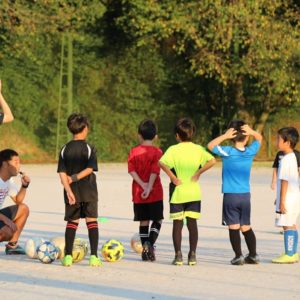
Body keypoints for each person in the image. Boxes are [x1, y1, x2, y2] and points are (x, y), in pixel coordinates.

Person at [159, 118, 216, 266]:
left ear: (177, 135)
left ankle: (178, 256)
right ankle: (192, 255)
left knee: (177, 225)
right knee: (192, 225)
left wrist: (173, 177)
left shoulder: (173, 149)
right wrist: (198, 172)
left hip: (178, 192)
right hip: (193, 192)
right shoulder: (198, 149)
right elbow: (212, 161)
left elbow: (161, 162)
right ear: (193, 133)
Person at [207, 120, 262, 265]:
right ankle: (253, 254)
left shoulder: (228, 151)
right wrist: (252, 131)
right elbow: (260, 138)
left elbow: (210, 146)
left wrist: (224, 136)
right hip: (245, 195)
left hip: (231, 195)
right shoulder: (250, 151)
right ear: (247, 137)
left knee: (233, 226)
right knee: (246, 226)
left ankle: (238, 256)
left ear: (232, 137)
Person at [57, 113, 101, 267]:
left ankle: (68, 257)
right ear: (85, 128)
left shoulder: (64, 149)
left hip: (72, 192)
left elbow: (62, 173)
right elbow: (90, 169)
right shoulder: (89, 148)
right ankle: (94, 257)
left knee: (72, 223)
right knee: (92, 222)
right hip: (89, 190)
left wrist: (68, 189)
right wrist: (75, 177)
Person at [128, 119, 164, 262]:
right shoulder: (158, 152)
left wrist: (142, 185)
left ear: (139, 135)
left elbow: (131, 170)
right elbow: (155, 171)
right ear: (155, 136)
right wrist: (149, 186)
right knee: (158, 219)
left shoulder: (133, 151)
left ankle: (145, 249)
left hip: (138, 192)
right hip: (155, 192)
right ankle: (150, 244)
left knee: (143, 221)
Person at [272, 127, 300, 264]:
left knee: (287, 225)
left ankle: (289, 254)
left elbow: (284, 180)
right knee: (292, 224)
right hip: (294, 196)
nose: (277, 142)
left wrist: (282, 200)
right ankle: (294, 253)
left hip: (288, 197)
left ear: (288, 142)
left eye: (279, 139)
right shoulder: (293, 157)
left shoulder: (286, 159)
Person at [0, 149, 30, 254]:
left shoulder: (8, 180)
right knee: (7, 231)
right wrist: (6, 220)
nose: (19, 165)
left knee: (24, 209)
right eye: (15, 162)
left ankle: (12, 245)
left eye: (19, 162)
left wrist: (24, 186)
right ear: (4, 164)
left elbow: (18, 200)